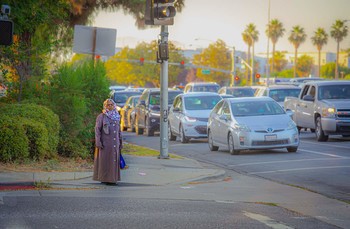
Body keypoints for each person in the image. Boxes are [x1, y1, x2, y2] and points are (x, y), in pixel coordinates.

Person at [93, 99, 123, 185]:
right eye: (108, 105)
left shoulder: (117, 116)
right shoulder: (101, 116)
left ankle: (113, 179)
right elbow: (97, 130)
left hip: (115, 144)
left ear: (114, 106)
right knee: (105, 161)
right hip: (105, 144)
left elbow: (119, 131)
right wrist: (98, 142)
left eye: (111, 105)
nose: (110, 106)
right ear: (105, 106)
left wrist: (121, 143)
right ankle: (104, 179)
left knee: (113, 161)